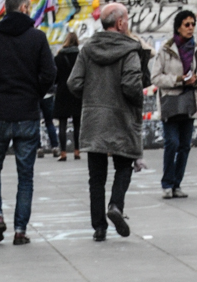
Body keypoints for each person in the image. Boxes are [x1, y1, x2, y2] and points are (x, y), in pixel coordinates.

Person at [0, 0, 55, 244]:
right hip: (28, 113)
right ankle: (20, 231)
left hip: (0, 113)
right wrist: (35, 93)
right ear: (24, 8)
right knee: (25, 175)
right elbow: (50, 74)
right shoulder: (37, 38)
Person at [66, 3, 143, 241]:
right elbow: (131, 86)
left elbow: (73, 83)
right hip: (121, 117)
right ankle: (116, 206)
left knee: (96, 177)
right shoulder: (130, 50)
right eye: (127, 20)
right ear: (120, 23)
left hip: (94, 119)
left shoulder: (88, 49)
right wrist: (138, 96)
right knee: (124, 165)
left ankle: (99, 227)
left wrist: (92, 98)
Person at [152, 9, 197, 199]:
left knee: (184, 145)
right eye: (187, 24)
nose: (191, 28)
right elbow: (156, 77)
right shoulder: (166, 50)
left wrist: (196, 79)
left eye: (193, 24)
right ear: (178, 27)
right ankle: (167, 183)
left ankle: (177, 184)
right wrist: (179, 79)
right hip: (170, 103)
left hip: (189, 102)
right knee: (172, 143)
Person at [53, 32, 81, 161]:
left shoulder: (58, 57)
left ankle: (63, 152)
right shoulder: (80, 56)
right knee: (77, 124)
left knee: (62, 124)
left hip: (63, 92)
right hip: (76, 91)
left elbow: (55, 78)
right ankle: (77, 151)